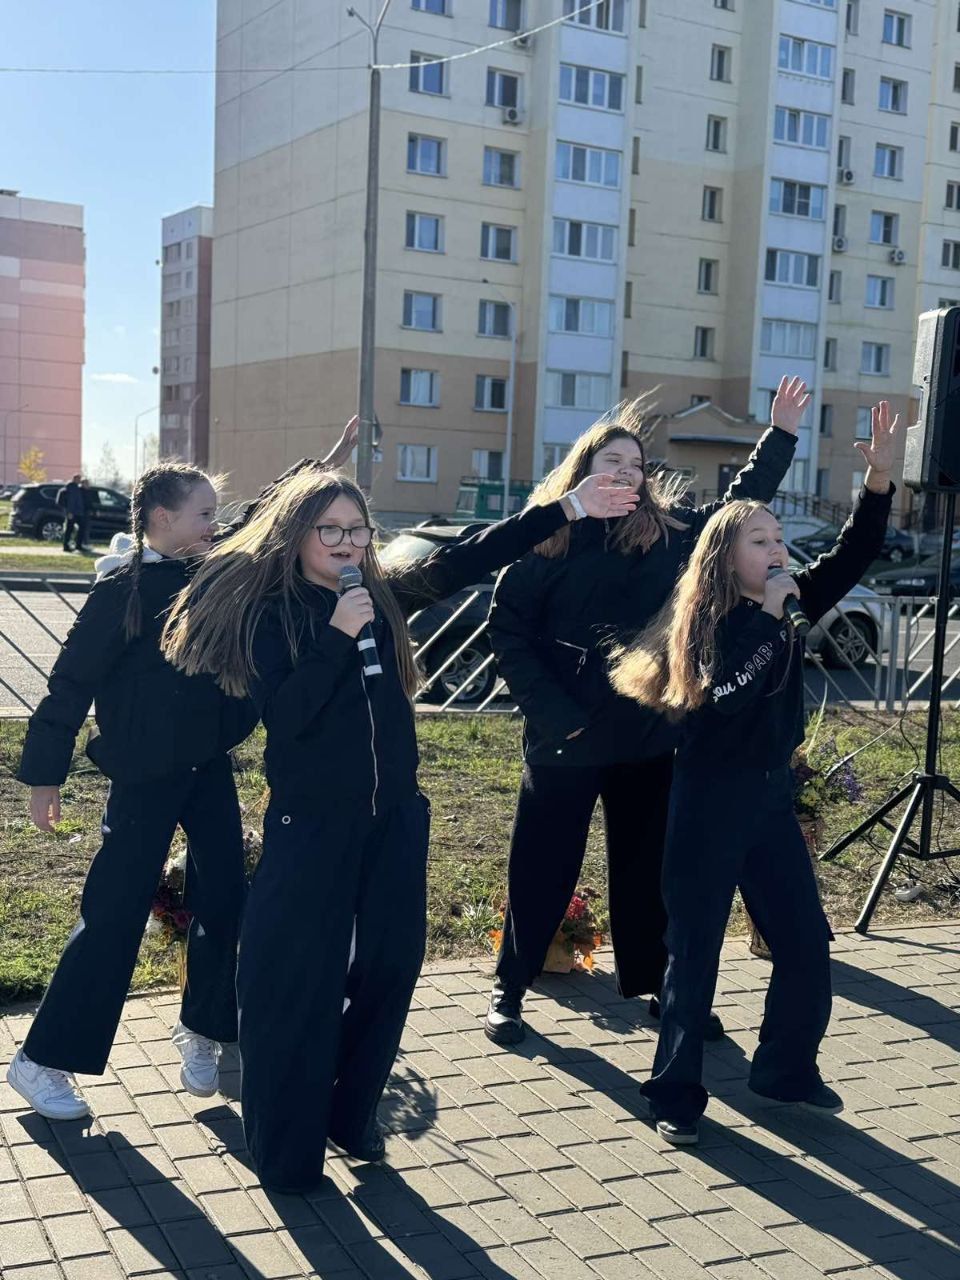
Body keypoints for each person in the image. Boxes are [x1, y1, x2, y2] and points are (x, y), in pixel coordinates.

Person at [161, 467, 638, 1192]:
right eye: (330, 529)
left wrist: (567, 507)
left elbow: (472, 555)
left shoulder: (380, 595)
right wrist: (336, 635)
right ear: (297, 535)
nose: (347, 542)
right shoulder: (274, 612)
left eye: (357, 529)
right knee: (298, 986)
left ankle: (350, 1113)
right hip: (311, 823)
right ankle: (287, 1152)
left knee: (390, 970)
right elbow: (286, 718)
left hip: (395, 818)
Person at [7, 424, 358, 1123]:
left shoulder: (217, 570)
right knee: (114, 914)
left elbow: (265, 512)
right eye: (202, 513)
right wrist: (46, 776)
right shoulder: (122, 590)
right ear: (162, 518)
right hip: (143, 776)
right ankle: (41, 1060)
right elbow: (70, 684)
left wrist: (325, 465)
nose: (214, 524)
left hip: (208, 768)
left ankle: (202, 1027)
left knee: (225, 899)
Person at [484, 379, 808, 1046]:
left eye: (636, 464)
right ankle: (509, 989)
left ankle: (660, 986)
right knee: (542, 866)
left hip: (646, 735)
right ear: (583, 469)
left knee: (648, 870)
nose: (627, 472)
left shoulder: (667, 534)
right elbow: (507, 630)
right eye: (613, 461)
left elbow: (736, 508)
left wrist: (779, 436)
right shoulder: (547, 536)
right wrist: (553, 715)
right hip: (565, 738)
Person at [610, 401, 900, 1146]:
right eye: (760, 540)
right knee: (695, 953)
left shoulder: (792, 601)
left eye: (779, 538)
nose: (777, 550)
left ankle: (786, 1071)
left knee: (804, 941)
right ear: (724, 557)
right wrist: (769, 622)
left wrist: (878, 483)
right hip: (709, 800)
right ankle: (674, 1092)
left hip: (770, 797)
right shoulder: (705, 625)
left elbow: (854, 553)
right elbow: (724, 698)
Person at [55, 474, 85, 553]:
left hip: (77, 512)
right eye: (79, 479)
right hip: (73, 512)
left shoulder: (75, 487)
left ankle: (77, 545)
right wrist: (69, 512)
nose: (80, 481)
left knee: (78, 528)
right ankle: (67, 546)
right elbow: (71, 501)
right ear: (75, 479)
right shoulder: (72, 488)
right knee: (69, 529)